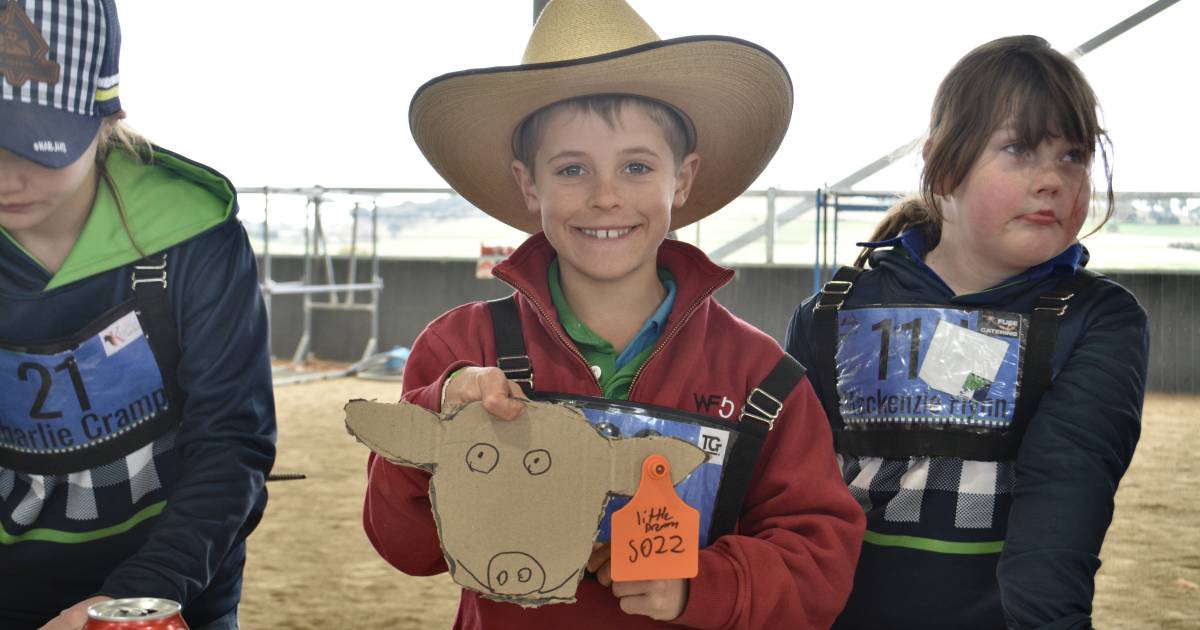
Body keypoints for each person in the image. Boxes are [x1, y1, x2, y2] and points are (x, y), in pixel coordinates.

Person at [362, 0, 864, 628]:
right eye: (572, 168)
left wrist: (702, 587)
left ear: (681, 181)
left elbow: (821, 557)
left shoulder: (762, 377)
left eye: (636, 167)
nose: (605, 196)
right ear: (528, 184)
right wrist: (438, 419)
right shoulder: (462, 350)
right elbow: (404, 547)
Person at [784, 35, 1148, 630]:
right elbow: (784, 503)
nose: (1052, 179)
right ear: (942, 163)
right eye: (1021, 150)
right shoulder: (832, 311)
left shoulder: (1097, 320)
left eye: (1073, 156)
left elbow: (1065, 498)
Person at [0, 1, 276, 628]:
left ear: (106, 117)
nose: (6, 178)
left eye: (36, 145)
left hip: (174, 587)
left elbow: (232, 443)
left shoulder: (194, 241)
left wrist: (136, 602)